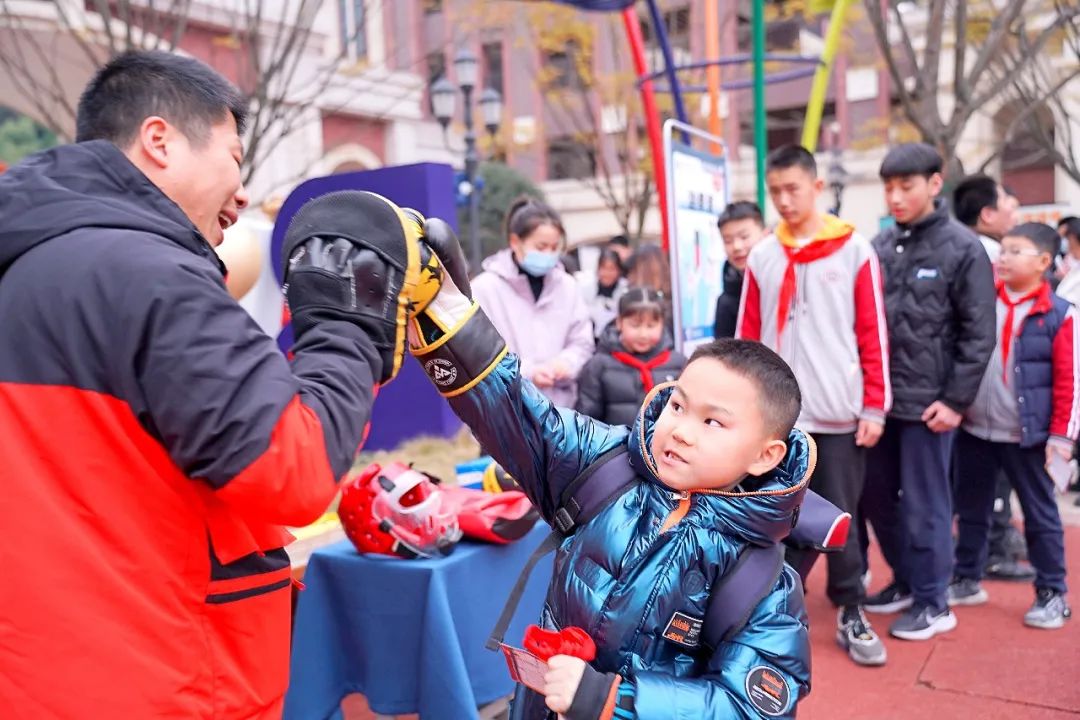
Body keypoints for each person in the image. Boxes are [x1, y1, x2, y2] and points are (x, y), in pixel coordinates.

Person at [0, 51, 427, 718]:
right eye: (234, 157)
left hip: (40, 673)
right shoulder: (151, 274)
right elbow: (295, 466)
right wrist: (347, 329)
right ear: (160, 140)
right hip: (160, 679)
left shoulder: (28, 263)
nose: (243, 192)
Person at [406, 228, 814, 718]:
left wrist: (609, 701)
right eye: (678, 406)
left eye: (712, 422)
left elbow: (754, 707)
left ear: (765, 455)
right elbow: (518, 412)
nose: (680, 431)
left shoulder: (763, 580)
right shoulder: (608, 464)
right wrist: (442, 313)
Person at [737, 144, 891, 666]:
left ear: (817, 187)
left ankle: (851, 606)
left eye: (793, 189)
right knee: (770, 511)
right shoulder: (763, 254)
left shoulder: (854, 250)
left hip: (838, 408)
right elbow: (747, 336)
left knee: (841, 511)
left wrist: (874, 406)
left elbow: (872, 332)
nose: (783, 200)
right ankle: (773, 604)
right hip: (776, 415)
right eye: (774, 191)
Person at [862, 143, 996, 640]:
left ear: (934, 184)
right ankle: (906, 580)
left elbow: (980, 333)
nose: (896, 197)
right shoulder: (878, 245)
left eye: (906, 186)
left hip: (931, 406)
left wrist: (956, 401)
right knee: (875, 497)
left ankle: (934, 602)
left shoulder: (964, 248)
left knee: (926, 505)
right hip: (881, 403)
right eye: (889, 187)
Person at [948, 223, 1075, 629]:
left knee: (1039, 514)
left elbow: (1070, 381)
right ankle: (967, 577)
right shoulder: (982, 301)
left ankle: (1052, 592)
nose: (1003, 258)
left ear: (1043, 261)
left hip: (1027, 436)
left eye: (1016, 251)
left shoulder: (1059, 314)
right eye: (1002, 250)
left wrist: (1061, 437)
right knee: (971, 509)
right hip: (976, 430)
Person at [953, 174, 1033, 581]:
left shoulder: (964, 248)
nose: (1014, 215)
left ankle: (989, 547)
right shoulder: (986, 257)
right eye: (1008, 206)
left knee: (978, 481)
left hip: (969, 386)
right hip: (984, 386)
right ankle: (992, 549)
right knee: (991, 478)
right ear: (987, 214)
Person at [472, 197, 594, 407]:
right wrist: (529, 372)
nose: (549, 254)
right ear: (515, 242)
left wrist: (566, 363)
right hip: (503, 408)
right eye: (541, 246)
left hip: (560, 411)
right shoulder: (484, 289)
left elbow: (582, 341)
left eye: (554, 247)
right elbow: (479, 351)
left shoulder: (568, 286)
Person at [576, 287, 686, 426]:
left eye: (651, 326)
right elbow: (586, 419)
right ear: (619, 322)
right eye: (635, 325)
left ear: (662, 324)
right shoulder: (599, 365)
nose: (643, 334)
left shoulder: (678, 364)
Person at [713, 200, 766, 339]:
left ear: (765, 234)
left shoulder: (784, 281)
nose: (736, 246)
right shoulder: (725, 301)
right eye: (728, 241)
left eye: (744, 237)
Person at [953, 174, 1021, 267]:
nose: (1013, 213)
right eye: (1005, 200)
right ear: (988, 215)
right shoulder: (993, 256)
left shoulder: (957, 249)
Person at [580, 247, 629, 339]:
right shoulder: (585, 288)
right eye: (603, 268)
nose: (607, 273)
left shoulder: (625, 291)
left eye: (612, 269)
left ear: (619, 271)